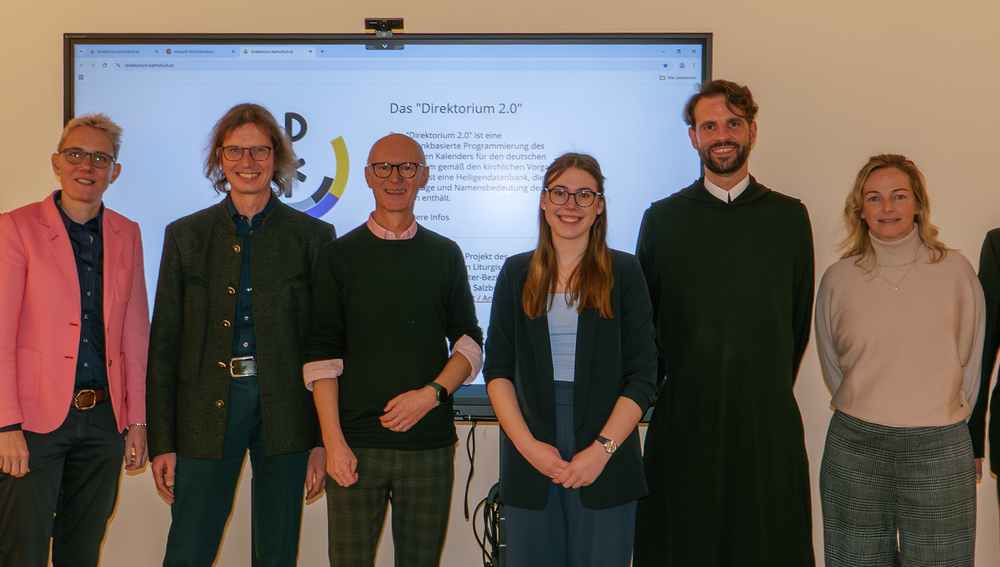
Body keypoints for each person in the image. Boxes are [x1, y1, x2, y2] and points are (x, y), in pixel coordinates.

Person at [632, 79, 816, 566]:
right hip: (686, 424)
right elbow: (646, 329)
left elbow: (796, 324)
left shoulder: (789, 219)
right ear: (693, 137)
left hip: (765, 423)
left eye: (733, 123)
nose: (722, 135)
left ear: (752, 131)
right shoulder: (662, 220)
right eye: (709, 126)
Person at [146, 103, 335, 566]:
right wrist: (162, 441)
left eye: (259, 150)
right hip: (204, 409)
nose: (247, 161)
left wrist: (322, 440)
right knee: (188, 550)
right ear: (219, 157)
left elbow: (325, 344)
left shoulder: (313, 236)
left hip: (287, 410)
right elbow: (164, 345)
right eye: (235, 150)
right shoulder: (186, 235)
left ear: (278, 157)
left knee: (277, 552)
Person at [305, 133, 483, 567]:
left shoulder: (445, 254)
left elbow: (469, 343)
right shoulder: (338, 255)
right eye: (384, 167)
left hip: (429, 447)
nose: (396, 177)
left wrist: (431, 395)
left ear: (424, 176)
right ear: (368, 176)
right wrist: (333, 443)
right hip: (355, 448)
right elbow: (322, 357)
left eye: (408, 168)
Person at [484, 153, 657, 567]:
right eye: (560, 193)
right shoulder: (515, 273)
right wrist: (528, 448)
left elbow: (643, 375)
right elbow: (498, 371)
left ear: (600, 206)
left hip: (607, 457)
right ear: (544, 201)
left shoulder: (625, 272)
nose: (571, 205)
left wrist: (601, 451)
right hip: (531, 457)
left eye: (584, 195)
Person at [815, 153, 983, 566]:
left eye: (899, 196)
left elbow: (971, 360)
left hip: (939, 449)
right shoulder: (838, 279)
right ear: (860, 210)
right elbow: (834, 364)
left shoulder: (957, 272)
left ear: (918, 204)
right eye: (874, 197)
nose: (886, 207)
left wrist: (932, 408)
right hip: (855, 448)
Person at [0, 113, 150, 566]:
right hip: (32, 423)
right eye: (76, 154)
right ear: (57, 163)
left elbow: (135, 334)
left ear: (114, 172)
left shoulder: (128, 233)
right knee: (22, 550)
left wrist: (138, 421)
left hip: (104, 420)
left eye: (100, 158)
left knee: (82, 552)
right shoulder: (15, 228)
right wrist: (5, 426)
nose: (87, 166)